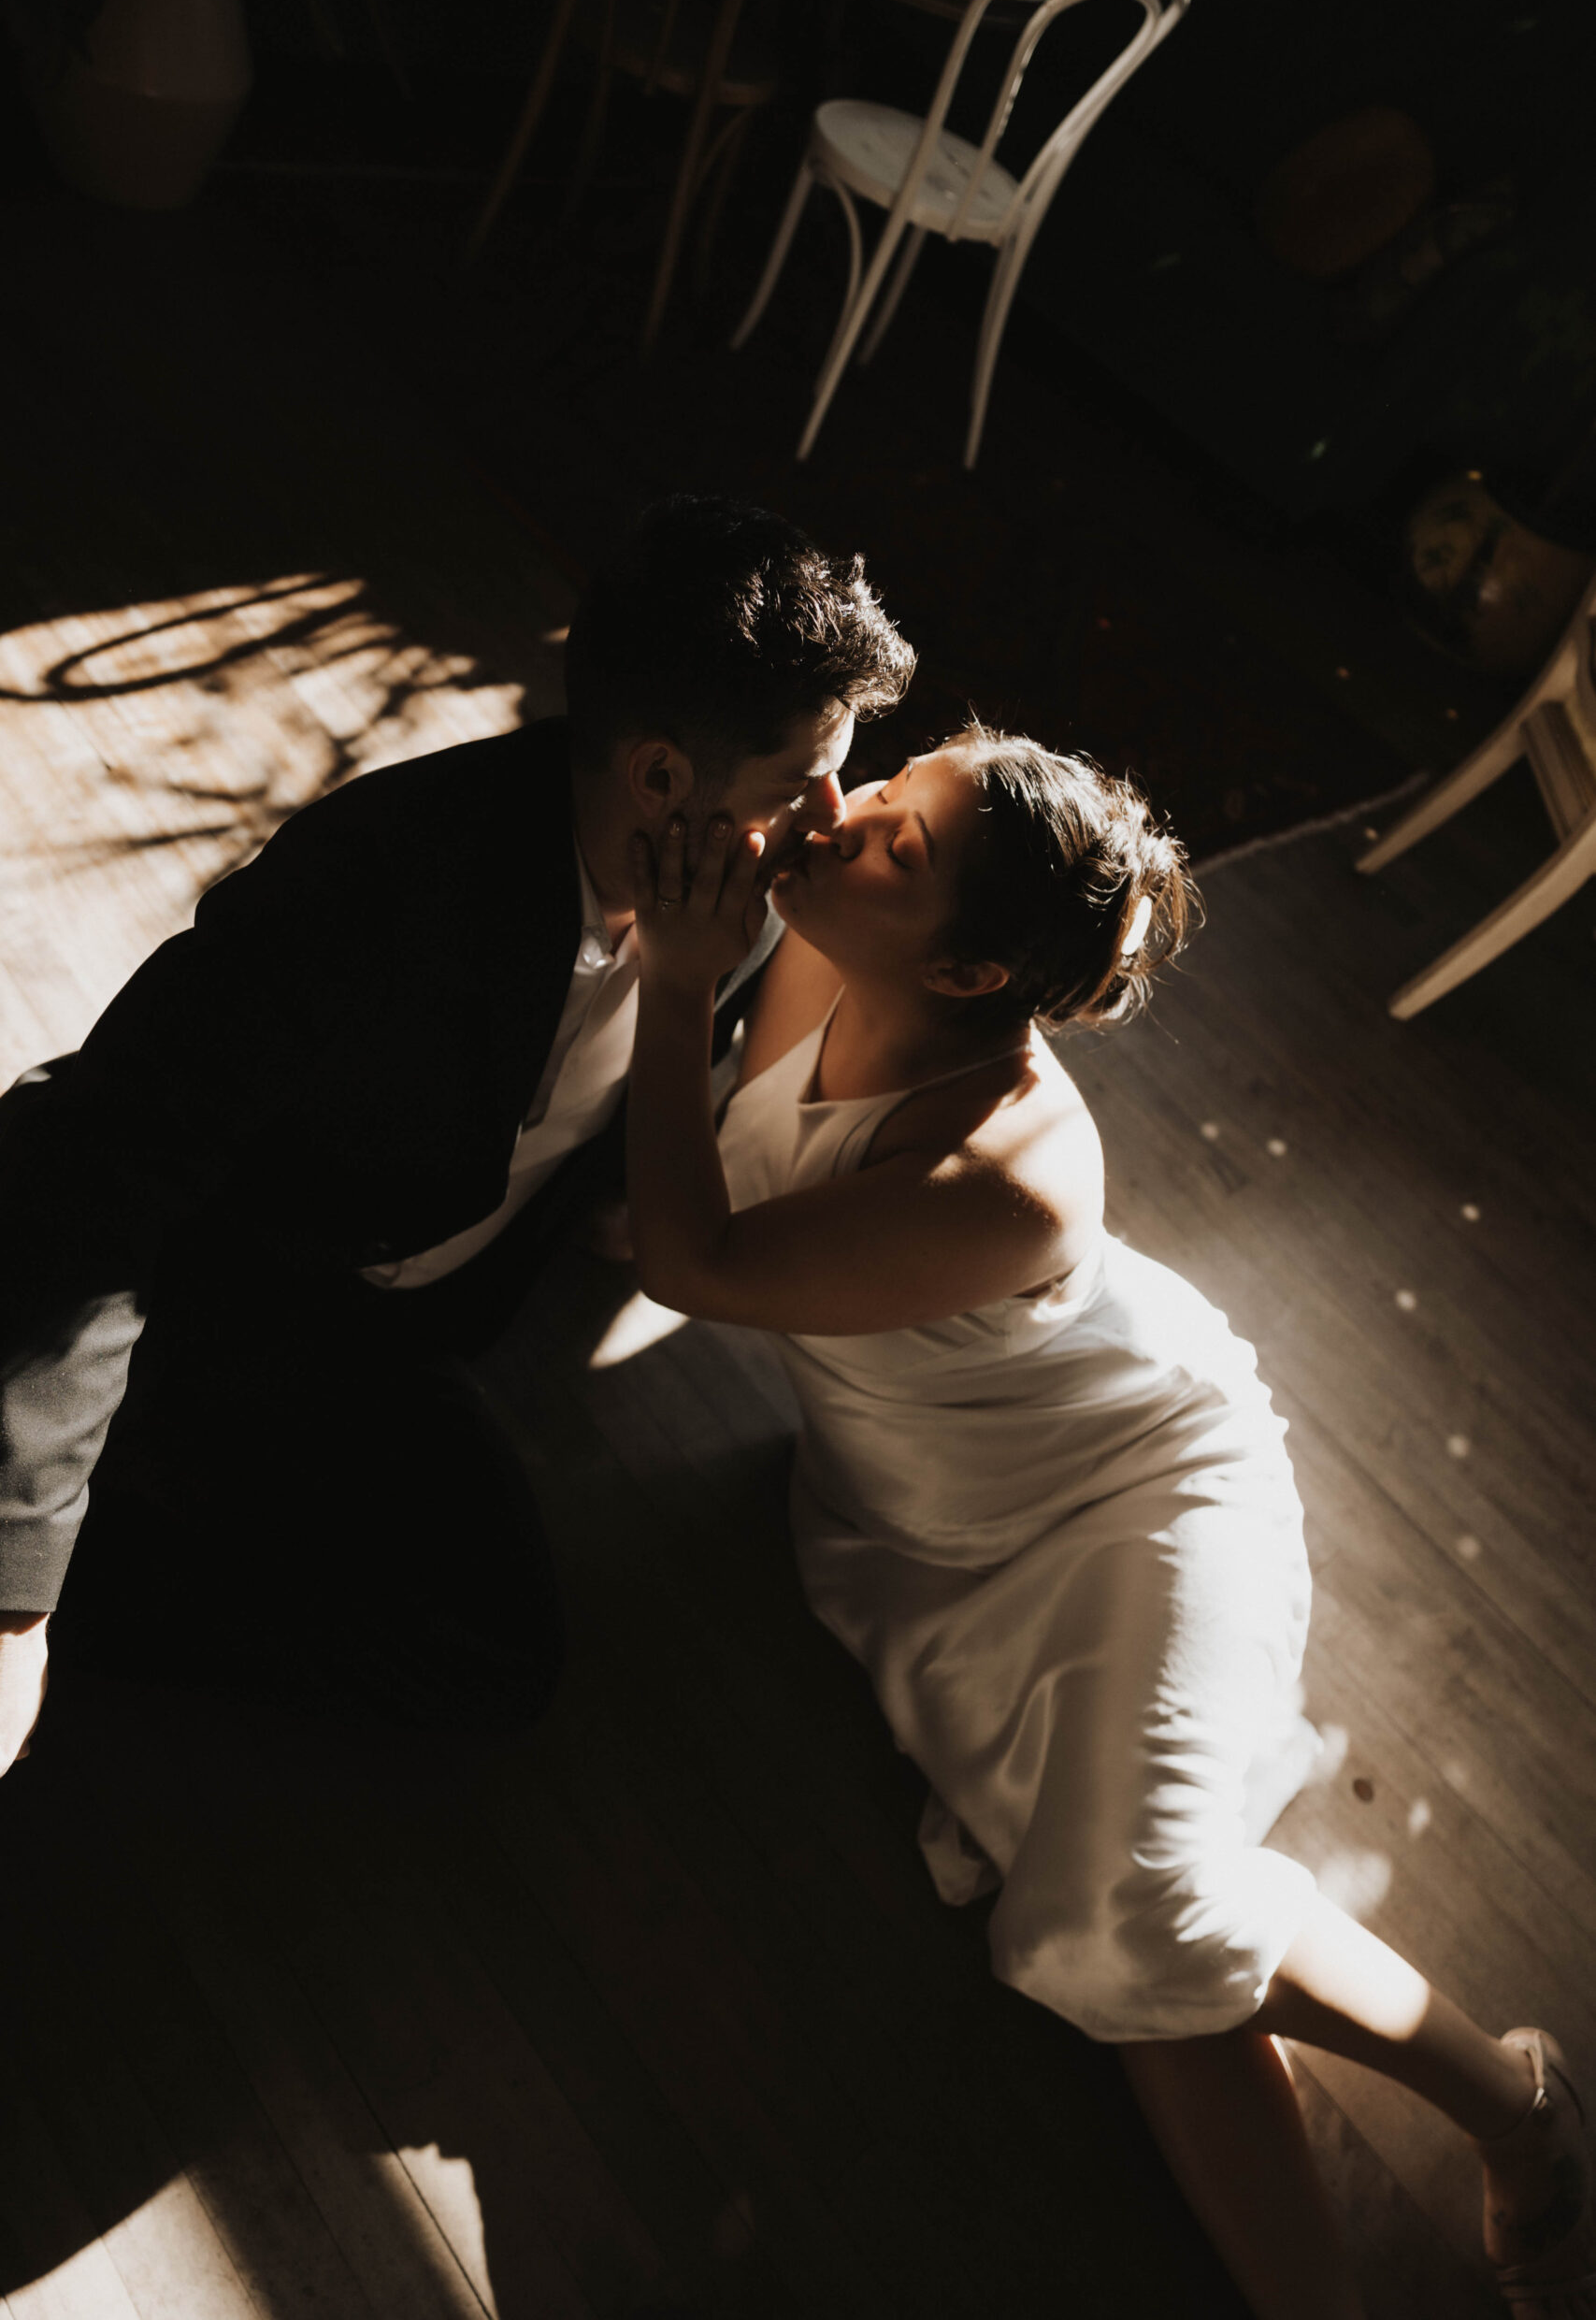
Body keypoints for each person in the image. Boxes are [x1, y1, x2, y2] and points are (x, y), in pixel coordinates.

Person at [620, 721, 1594, 2320]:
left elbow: (699, 1261)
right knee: (1134, 1930)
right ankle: (1512, 2126)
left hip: (1137, 1498)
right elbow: (706, 1197)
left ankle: (1512, 2108)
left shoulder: (1017, 1171)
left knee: (1132, 1918)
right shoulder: (825, 948)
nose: (844, 818)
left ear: (969, 975)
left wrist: (673, 981)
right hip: (921, 1534)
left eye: (895, 842)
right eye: (887, 786)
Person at [0, 494, 913, 1763]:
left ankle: (113, 1565)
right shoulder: (380, 882)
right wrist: (12, 1603)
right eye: (801, 779)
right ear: (660, 775)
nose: (833, 813)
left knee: (491, 1663)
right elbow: (106, 1176)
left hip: (393, 1324)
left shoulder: (746, 902)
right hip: (217, 1266)